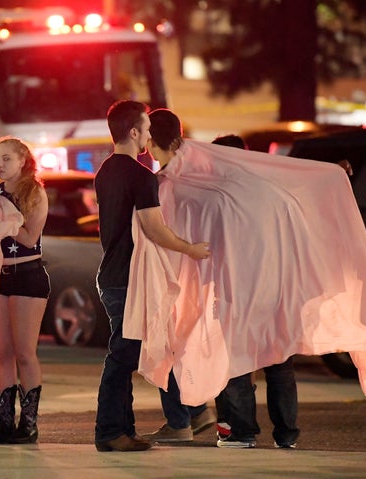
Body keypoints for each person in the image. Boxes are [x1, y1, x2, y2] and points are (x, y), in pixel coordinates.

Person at [93, 100, 210, 453]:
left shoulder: (105, 171)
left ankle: (123, 431)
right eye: (145, 128)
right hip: (130, 277)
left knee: (126, 354)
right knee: (122, 356)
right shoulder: (139, 175)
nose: (148, 134)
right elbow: (153, 229)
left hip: (111, 273)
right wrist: (190, 248)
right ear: (133, 132)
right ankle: (109, 432)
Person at [209, 133, 299, 449]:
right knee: (280, 365)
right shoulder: (276, 192)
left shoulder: (219, 196)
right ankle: (287, 434)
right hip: (277, 289)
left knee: (236, 363)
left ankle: (240, 431)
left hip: (238, 291)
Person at [141, 108, 217, 445]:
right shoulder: (201, 177)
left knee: (166, 345)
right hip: (197, 270)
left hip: (174, 271)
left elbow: (158, 232)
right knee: (180, 344)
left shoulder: (165, 184)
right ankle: (196, 410)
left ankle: (181, 419)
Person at [0, 136, 50, 445]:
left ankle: (29, 424)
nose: (0, 164)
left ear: (23, 160)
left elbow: (29, 237)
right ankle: (4, 423)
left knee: (25, 352)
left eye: (6, 159)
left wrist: (4, 219)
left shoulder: (33, 191)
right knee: (3, 353)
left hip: (28, 275)